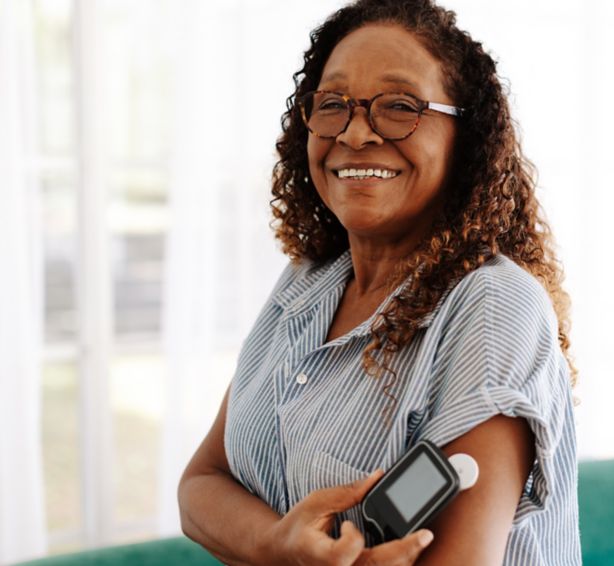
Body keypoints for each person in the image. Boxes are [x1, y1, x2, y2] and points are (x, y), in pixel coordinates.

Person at [177, 0, 581, 564]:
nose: (357, 132)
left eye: (398, 107)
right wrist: (277, 544)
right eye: (334, 104)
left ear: (465, 138)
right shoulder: (308, 279)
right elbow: (200, 484)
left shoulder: (492, 307)